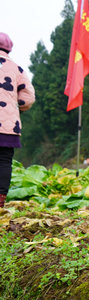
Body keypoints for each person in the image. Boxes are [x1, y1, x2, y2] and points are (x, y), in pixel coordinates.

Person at [0, 33, 35, 208]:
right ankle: (0, 200)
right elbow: (28, 98)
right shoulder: (17, 69)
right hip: (8, 126)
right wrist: (14, 105)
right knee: (4, 161)